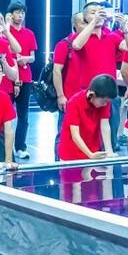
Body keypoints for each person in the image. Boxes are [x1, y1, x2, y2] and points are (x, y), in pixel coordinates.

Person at [72, 2, 128, 152]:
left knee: (110, 133)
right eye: (93, 12)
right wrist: (94, 22)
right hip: (89, 93)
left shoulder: (111, 37)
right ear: (85, 17)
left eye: (100, 11)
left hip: (110, 93)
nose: (98, 14)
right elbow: (76, 45)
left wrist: (125, 29)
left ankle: (109, 155)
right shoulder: (82, 37)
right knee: (88, 134)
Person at [57, 74, 118, 161]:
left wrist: (109, 151)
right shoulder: (74, 103)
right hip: (71, 154)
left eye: (107, 101)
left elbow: (105, 126)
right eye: (103, 101)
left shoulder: (104, 102)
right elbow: (75, 134)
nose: (105, 104)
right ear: (92, 95)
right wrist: (90, 154)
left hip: (93, 150)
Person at [7, 1, 38, 159]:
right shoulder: (6, 31)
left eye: (22, 13)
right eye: (17, 12)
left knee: (23, 115)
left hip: (25, 77)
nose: (20, 16)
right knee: (6, 115)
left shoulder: (29, 33)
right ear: (11, 14)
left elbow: (33, 57)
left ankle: (20, 146)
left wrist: (24, 59)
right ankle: (5, 148)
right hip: (8, 77)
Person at [52, 12, 85, 158]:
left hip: (89, 98)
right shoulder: (65, 44)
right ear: (74, 25)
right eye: (83, 22)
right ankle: (58, 161)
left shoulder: (94, 43)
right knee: (64, 132)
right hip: (70, 97)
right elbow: (57, 71)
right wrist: (61, 95)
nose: (86, 25)